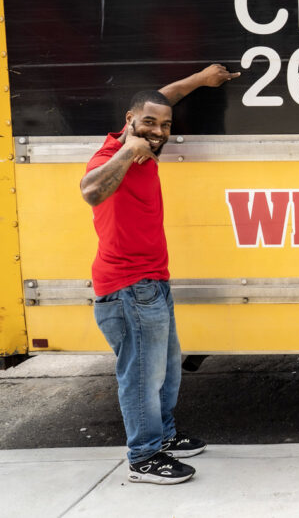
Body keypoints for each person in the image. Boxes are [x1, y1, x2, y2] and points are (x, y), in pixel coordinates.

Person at [80, 64, 239, 484]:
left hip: (152, 283)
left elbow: (158, 100)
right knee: (140, 375)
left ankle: (163, 436)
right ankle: (144, 457)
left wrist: (200, 80)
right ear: (127, 122)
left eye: (165, 125)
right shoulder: (111, 154)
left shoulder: (145, 136)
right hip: (127, 288)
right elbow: (90, 191)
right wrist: (127, 153)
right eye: (148, 124)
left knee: (165, 370)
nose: (158, 131)